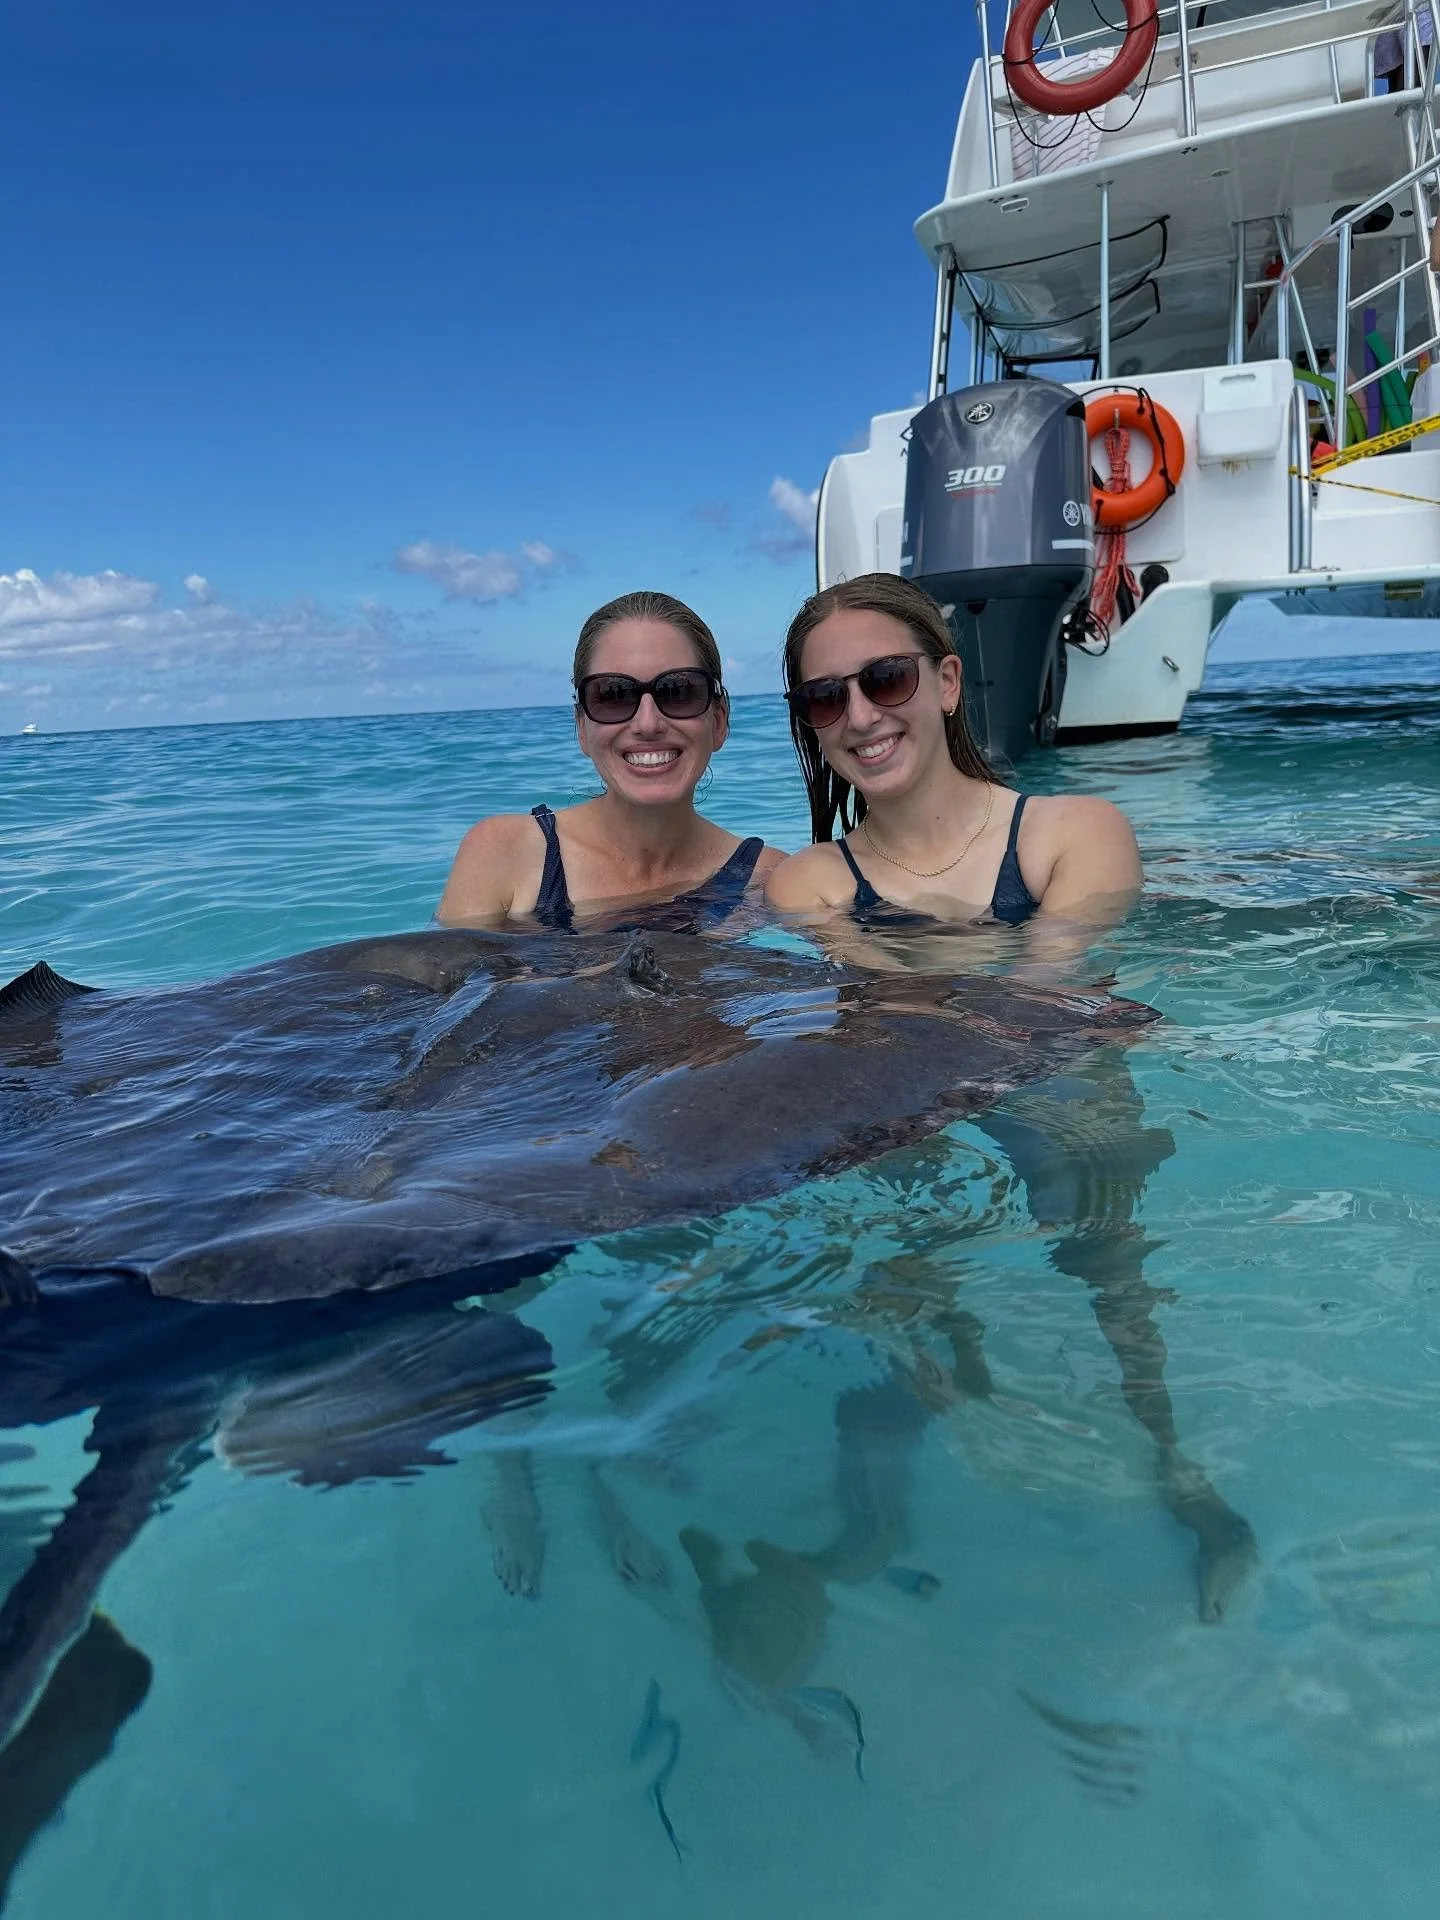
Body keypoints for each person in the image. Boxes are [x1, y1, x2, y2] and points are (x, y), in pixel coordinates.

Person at [764, 573, 1141, 931]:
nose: (860, 718)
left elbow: (1051, 983)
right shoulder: (804, 884)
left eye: (888, 678)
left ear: (947, 683)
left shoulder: (1079, 833)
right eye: (824, 698)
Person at [438, 590, 784, 928]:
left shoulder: (768, 881)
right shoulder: (504, 854)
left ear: (719, 721)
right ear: (582, 728)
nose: (647, 723)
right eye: (613, 695)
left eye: (678, 692)